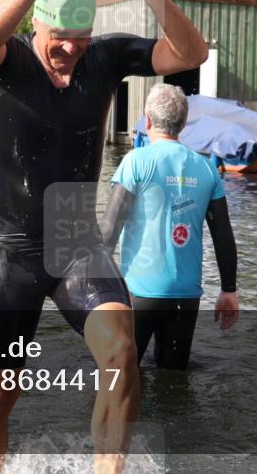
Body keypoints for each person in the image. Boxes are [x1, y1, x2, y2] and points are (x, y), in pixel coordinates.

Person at [0, 0, 209, 474]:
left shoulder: (104, 58)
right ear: (37, 24)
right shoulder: (7, 63)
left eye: (81, 37)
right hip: (12, 249)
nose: (71, 48)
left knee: (122, 353)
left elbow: (190, 54)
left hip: (76, 241)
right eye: (60, 36)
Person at [100, 84, 239, 371]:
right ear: (183, 123)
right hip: (186, 296)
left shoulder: (135, 161)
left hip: (141, 293)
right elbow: (223, 235)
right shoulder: (206, 168)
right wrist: (228, 290)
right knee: (174, 379)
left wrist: (93, 286)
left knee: (121, 377)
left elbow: (110, 228)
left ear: (148, 120)